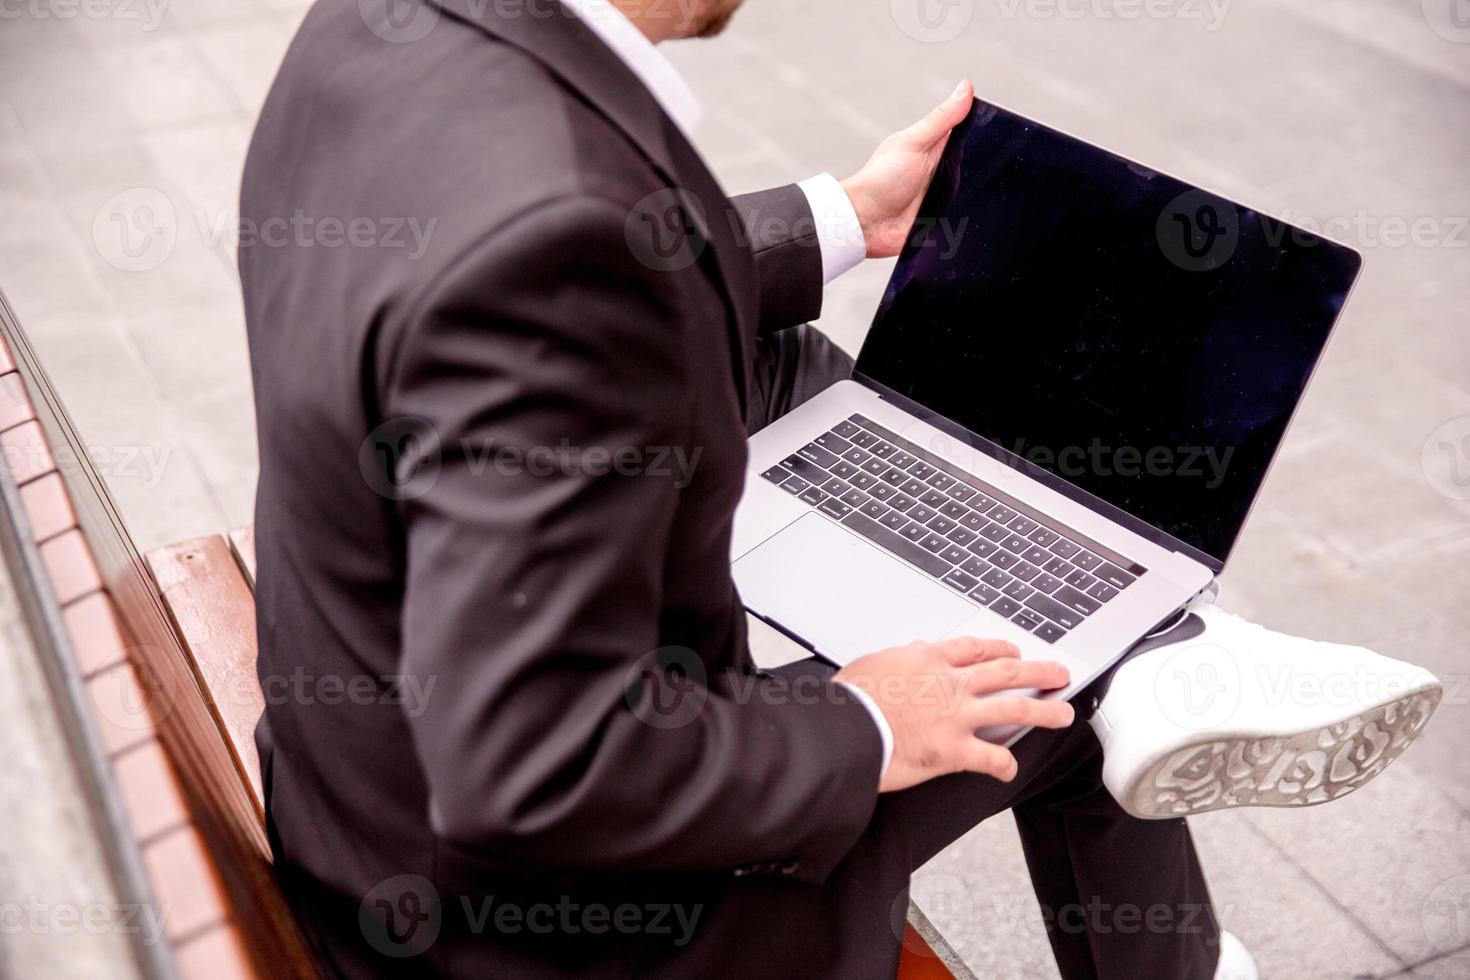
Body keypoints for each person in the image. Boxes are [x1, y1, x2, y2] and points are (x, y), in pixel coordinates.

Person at [237, 0, 1440, 976]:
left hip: (355, 796)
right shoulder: (560, 250)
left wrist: (843, 219)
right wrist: (866, 723)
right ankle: (1158, 655)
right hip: (554, 938)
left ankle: (1124, 602)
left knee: (783, 369)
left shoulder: (375, 31)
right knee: (1066, 689)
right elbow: (536, 774)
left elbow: (529, 271)